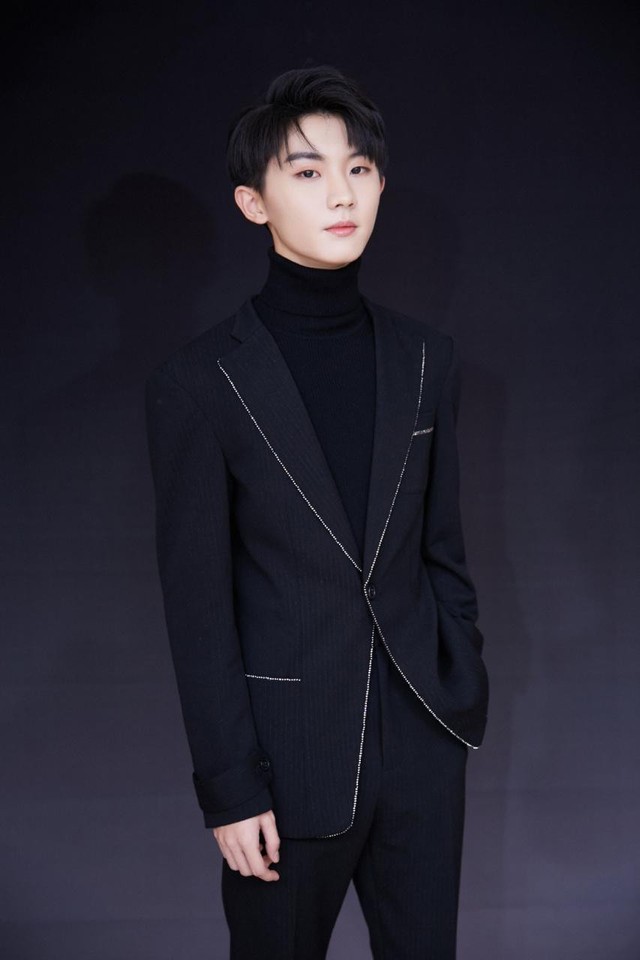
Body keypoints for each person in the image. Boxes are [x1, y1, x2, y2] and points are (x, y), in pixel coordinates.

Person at [145, 64, 489, 960]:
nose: (343, 193)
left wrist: (458, 688)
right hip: (285, 763)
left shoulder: (427, 358)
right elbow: (197, 606)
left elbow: (443, 550)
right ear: (252, 203)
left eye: (360, 168)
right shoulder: (199, 382)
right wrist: (229, 787)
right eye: (307, 171)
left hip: (424, 745)